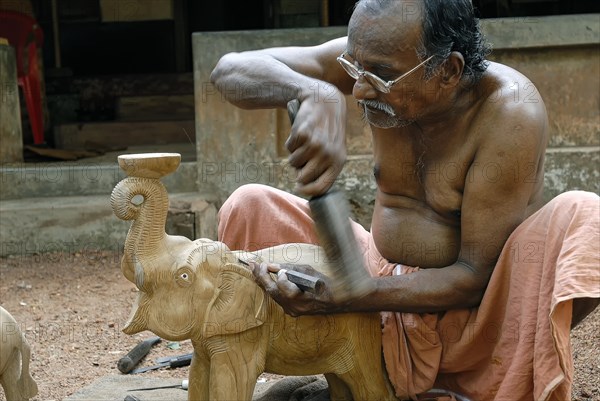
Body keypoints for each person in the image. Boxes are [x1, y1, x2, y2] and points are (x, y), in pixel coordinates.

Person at [210, 0, 600, 400]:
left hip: (473, 328)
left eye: (381, 77)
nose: (360, 89)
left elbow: (473, 277)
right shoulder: (373, 58)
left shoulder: (509, 110)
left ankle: (466, 386)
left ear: (448, 70)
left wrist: (355, 295)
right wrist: (314, 90)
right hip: (373, 298)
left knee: (587, 217)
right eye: (353, 69)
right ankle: (355, 368)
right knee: (249, 205)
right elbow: (228, 70)